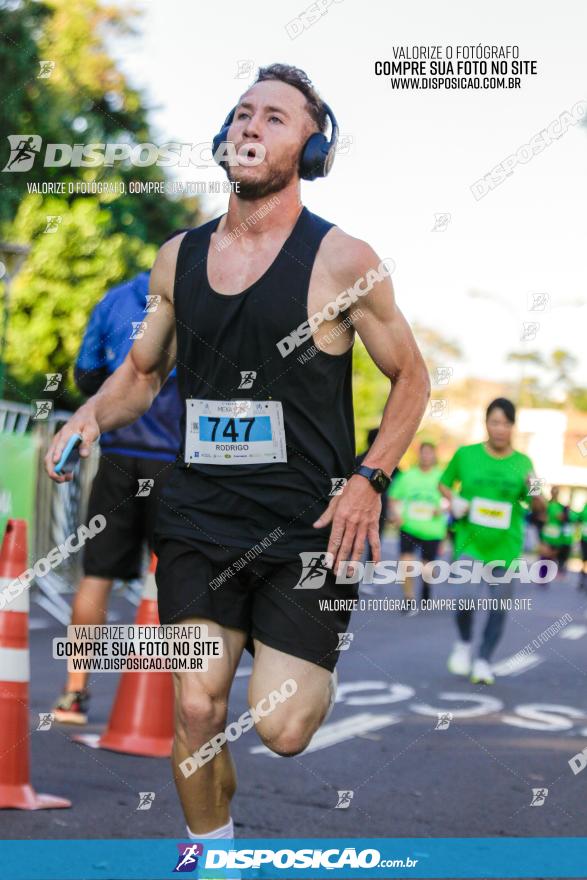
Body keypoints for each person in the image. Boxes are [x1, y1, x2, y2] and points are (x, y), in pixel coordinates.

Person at [46, 64, 430, 840]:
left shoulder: (343, 260)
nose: (251, 127)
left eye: (276, 119)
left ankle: (292, 648)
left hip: (308, 527)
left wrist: (368, 479)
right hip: (198, 516)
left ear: (311, 151)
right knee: (194, 705)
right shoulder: (175, 258)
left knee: (284, 730)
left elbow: (411, 380)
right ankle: (213, 855)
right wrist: (90, 415)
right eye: (243, 114)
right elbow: (142, 374)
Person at [52, 244, 184, 724]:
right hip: (177, 461)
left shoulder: (115, 298)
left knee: (97, 575)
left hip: (119, 454)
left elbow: (86, 374)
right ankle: (168, 706)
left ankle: (74, 693)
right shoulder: (201, 296)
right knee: (175, 580)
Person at [439, 398, 546, 685]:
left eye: (506, 423)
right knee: (464, 597)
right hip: (470, 543)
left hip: (506, 548)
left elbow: (540, 506)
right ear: (486, 424)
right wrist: (454, 500)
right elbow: (443, 483)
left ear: (513, 427)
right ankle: (463, 644)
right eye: (495, 422)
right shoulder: (466, 455)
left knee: (498, 608)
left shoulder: (523, 462)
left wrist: (534, 489)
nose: (500, 429)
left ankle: (484, 660)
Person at [389, 440, 446, 608]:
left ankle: (426, 586)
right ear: (419, 455)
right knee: (405, 562)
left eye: (430, 453)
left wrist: (441, 509)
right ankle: (408, 598)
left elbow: (449, 499)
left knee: (427, 568)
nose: (426, 456)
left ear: (434, 456)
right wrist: (396, 514)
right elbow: (393, 498)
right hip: (409, 526)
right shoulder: (407, 476)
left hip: (432, 529)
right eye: (424, 452)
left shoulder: (441, 477)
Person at [355, 427, 400, 559]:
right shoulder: (389, 462)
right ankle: (370, 566)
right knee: (375, 534)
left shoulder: (358, 459)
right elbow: (396, 479)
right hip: (380, 501)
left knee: (354, 534)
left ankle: (349, 567)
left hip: (357, 501)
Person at [538, 486, 573, 576]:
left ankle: (547, 574)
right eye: (553, 491)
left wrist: (564, 515)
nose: (554, 493)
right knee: (544, 555)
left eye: (556, 492)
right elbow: (540, 517)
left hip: (557, 536)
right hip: (547, 534)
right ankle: (542, 574)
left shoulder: (560, 506)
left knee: (552, 556)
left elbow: (564, 519)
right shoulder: (546, 504)